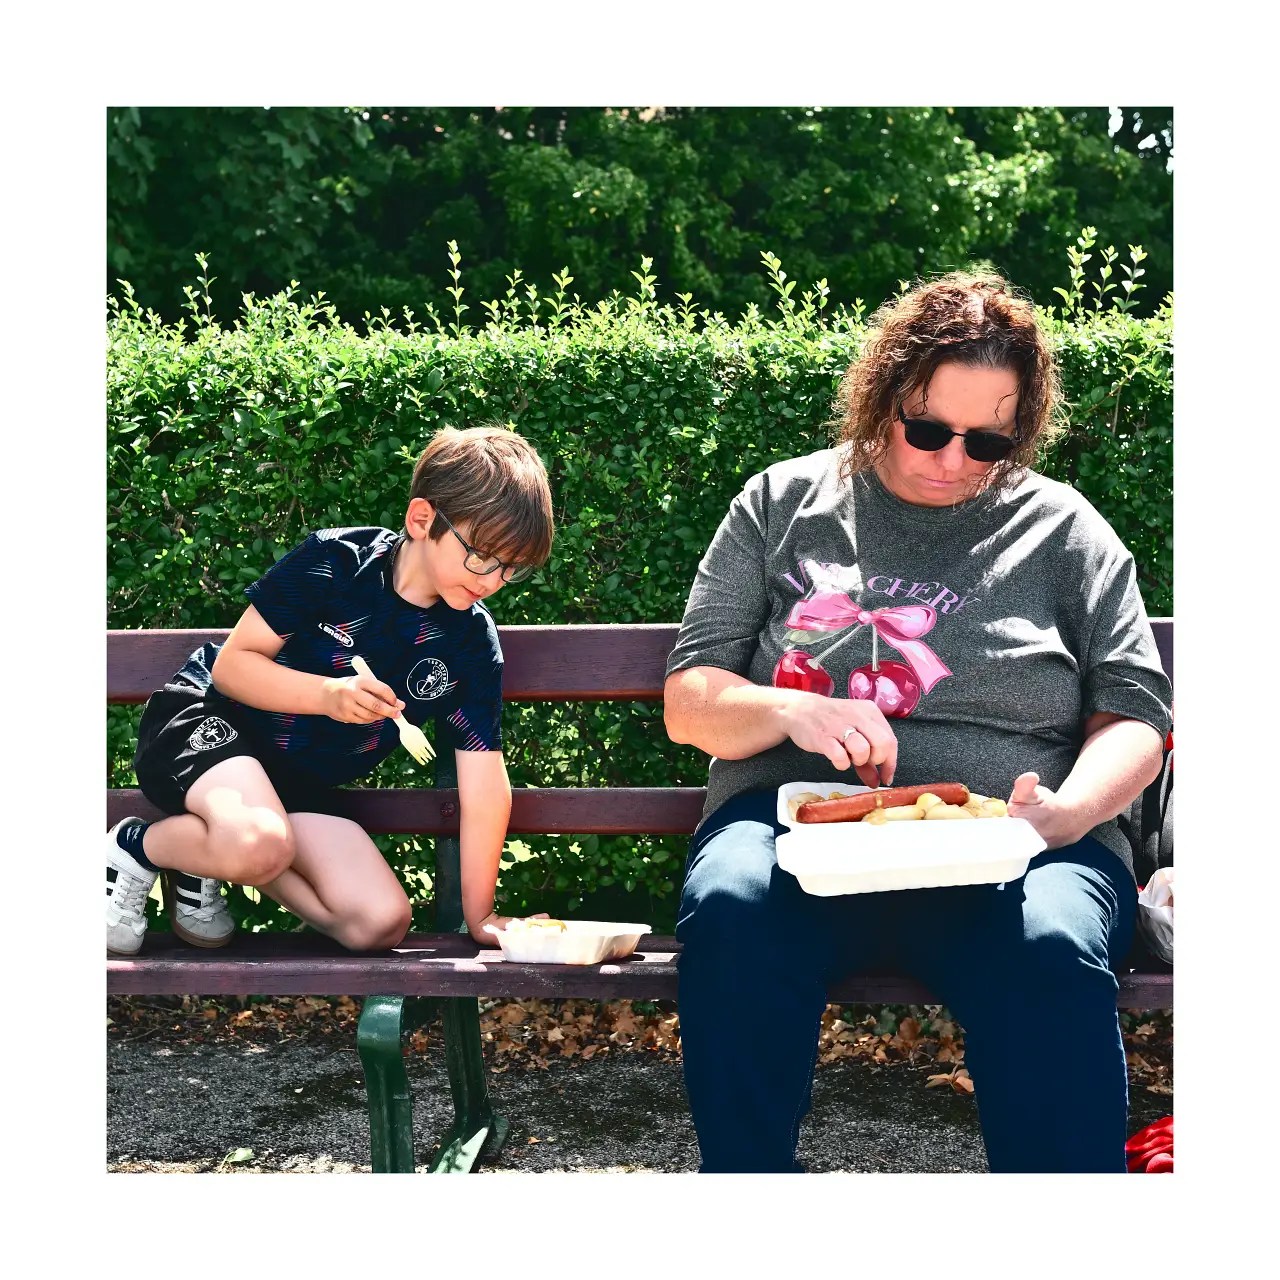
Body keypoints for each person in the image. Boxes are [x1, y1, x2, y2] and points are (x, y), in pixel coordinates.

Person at [663, 271, 1172, 1174]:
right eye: (929, 429)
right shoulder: (782, 502)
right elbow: (688, 702)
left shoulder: (1067, 533)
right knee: (733, 909)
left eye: (989, 442)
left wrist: (1067, 813)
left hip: (1015, 845)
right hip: (802, 837)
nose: (951, 460)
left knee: (1053, 945)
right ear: (886, 395)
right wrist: (789, 706)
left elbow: (1134, 717)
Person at [107, 424, 555, 956]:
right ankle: (137, 846)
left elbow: (484, 786)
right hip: (211, 722)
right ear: (422, 519)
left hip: (292, 784)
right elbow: (232, 668)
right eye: (481, 555)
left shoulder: (470, 646)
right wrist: (328, 696)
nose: (491, 580)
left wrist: (481, 918)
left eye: (511, 568)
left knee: (379, 922)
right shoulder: (339, 561)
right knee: (258, 841)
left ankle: (207, 849)